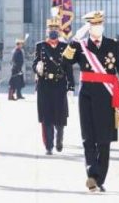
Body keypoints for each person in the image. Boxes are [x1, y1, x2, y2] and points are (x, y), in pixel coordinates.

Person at [62, 11, 119, 192]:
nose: (97, 27)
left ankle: (100, 178)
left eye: (100, 24)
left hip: (107, 96)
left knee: (104, 139)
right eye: (93, 25)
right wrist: (75, 39)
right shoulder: (81, 45)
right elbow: (66, 61)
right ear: (89, 27)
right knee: (88, 136)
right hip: (86, 95)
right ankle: (92, 174)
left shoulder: (112, 45)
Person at [33, 17, 75, 155]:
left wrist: (71, 87)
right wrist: (36, 68)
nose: (53, 32)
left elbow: (68, 68)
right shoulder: (40, 46)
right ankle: (49, 146)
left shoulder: (65, 47)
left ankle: (59, 139)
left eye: (56, 29)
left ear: (60, 31)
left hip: (59, 84)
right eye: (51, 29)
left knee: (60, 115)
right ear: (47, 31)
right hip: (44, 85)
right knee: (47, 116)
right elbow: (35, 63)